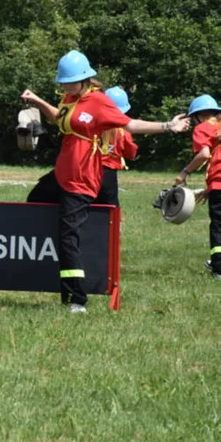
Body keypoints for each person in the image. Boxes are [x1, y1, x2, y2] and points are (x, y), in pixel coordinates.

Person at [21, 50, 189, 312]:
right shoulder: (69, 98)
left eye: (69, 81)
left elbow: (130, 125)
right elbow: (61, 119)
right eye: (62, 81)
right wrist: (37, 101)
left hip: (82, 179)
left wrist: (168, 126)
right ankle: (41, 264)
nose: (64, 85)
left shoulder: (99, 102)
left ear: (84, 80)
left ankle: (77, 300)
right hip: (61, 174)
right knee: (34, 201)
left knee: (67, 236)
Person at [173, 95, 221, 279]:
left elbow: (204, 154)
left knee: (218, 226)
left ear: (198, 116)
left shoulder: (203, 128)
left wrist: (184, 173)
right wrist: (210, 189)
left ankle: (218, 267)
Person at [97, 86, 137, 207]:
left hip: (88, 168)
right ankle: (114, 225)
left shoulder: (93, 125)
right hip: (109, 171)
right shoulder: (123, 131)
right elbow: (131, 153)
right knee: (111, 204)